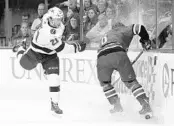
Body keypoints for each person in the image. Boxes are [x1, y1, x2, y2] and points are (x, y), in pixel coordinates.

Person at [12, 7, 87, 115]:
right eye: (57, 19)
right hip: (36, 51)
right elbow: (61, 48)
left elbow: (55, 22)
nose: (59, 21)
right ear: (51, 19)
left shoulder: (52, 20)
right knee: (24, 65)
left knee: (54, 78)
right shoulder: (47, 32)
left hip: (50, 54)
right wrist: (76, 48)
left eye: (60, 18)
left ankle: (54, 104)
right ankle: (21, 48)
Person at [96, 22, 152, 117]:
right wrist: (145, 40)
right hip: (118, 54)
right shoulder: (122, 29)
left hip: (101, 58)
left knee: (105, 84)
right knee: (131, 82)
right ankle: (145, 104)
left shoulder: (107, 35)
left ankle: (116, 106)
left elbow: (108, 52)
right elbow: (139, 27)